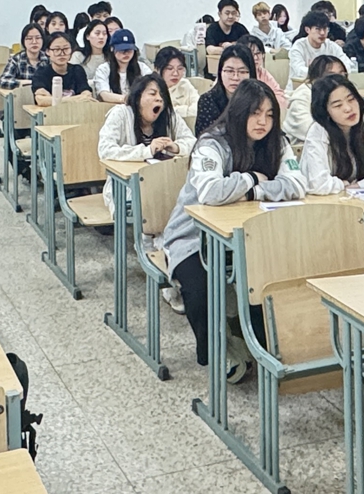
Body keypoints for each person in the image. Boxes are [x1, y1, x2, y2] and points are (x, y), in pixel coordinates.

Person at [159, 80, 303, 380]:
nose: (263, 122)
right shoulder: (212, 143)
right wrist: (253, 178)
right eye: (255, 113)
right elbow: (211, 192)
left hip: (252, 236)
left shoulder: (277, 142)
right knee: (200, 290)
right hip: (193, 237)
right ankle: (219, 352)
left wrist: (252, 192)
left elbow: (297, 184)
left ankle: (262, 343)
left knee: (270, 280)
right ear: (239, 112)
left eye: (269, 114)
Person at [301, 75, 364, 195]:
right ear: (325, 112)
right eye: (338, 105)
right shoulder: (318, 132)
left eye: (351, 99)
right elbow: (318, 184)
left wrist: (358, 186)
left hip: (356, 197)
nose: (348, 108)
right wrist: (343, 184)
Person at [98, 73, 193, 165]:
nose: (159, 99)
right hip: (128, 174)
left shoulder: (170, 115)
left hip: (163, 173)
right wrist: (148, 151)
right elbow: (105, 149)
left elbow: (193, 142)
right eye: (152, 94)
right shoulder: (120, 113)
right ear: (138, 98)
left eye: (162, 95)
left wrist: (177, 147)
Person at [283, 54, 349, 149]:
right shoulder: (302, 97)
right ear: (314, 78)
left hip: (337, 146)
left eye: (342, 75)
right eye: (331, 75)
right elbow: (310, 131)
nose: (338, 80)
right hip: (303, 149)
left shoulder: (344, 95)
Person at [195, 43, 258, 135]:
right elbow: (204, 137)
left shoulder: (259, 99)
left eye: (242, 71)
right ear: (220, 72)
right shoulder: (207, 100)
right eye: (229, 71)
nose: (235, 77)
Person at [289, 11, 355, 80]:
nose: (322, 33)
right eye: (318, 29)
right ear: (307, 30)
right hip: (301, 85)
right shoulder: (298, 47)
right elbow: (299, 71)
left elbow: (348, 65)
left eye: (325, 29)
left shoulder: (331, 46)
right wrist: (326, 73)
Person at [32, 32, 92, 106]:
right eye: (57, 49)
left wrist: (53, 100)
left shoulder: (77, 70)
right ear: (47, 51)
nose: (62, 53)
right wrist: (74, 99)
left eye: (66, 49)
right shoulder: (41, 72)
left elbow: (87, 95)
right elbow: (41, 100)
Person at [94, 29, 146, 105]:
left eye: (129, 50)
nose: (126, 53)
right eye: (122, 50)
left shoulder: (142, 68)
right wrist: (127, 99)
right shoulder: (103, 69)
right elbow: (104, 94)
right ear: (112, 49)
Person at [154, 46, 198, 124]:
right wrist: (186, 109)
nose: (175, 73)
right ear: (157, 69)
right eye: (170, 68)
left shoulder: (185, 84)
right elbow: (159, 113)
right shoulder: (152, 89)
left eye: (180, 68)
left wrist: (175, 109)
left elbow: (199, 108)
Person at [0, 24, 47, 89]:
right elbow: (2, 81)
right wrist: (24, 83)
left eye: (38, 38)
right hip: (22, 94)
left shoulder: (48, 59)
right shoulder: (16, 59)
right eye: (30, 38)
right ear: (23, 41)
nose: (34, 42)